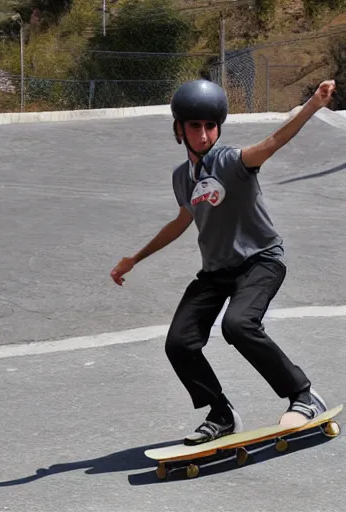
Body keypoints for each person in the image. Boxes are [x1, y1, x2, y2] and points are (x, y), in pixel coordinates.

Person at [110, 78, 336, 445]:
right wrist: (135, 258)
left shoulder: (231, 161)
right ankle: (221, 414)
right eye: (194, 126)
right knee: (179, 343)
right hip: (216, 272)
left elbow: (272, 143)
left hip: (260, 261)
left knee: (238, 324)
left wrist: (312, 105)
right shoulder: (182, 177)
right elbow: (182, 221)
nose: (203, 134)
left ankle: (303, 396)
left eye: (210, 125)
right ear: (179, 129)